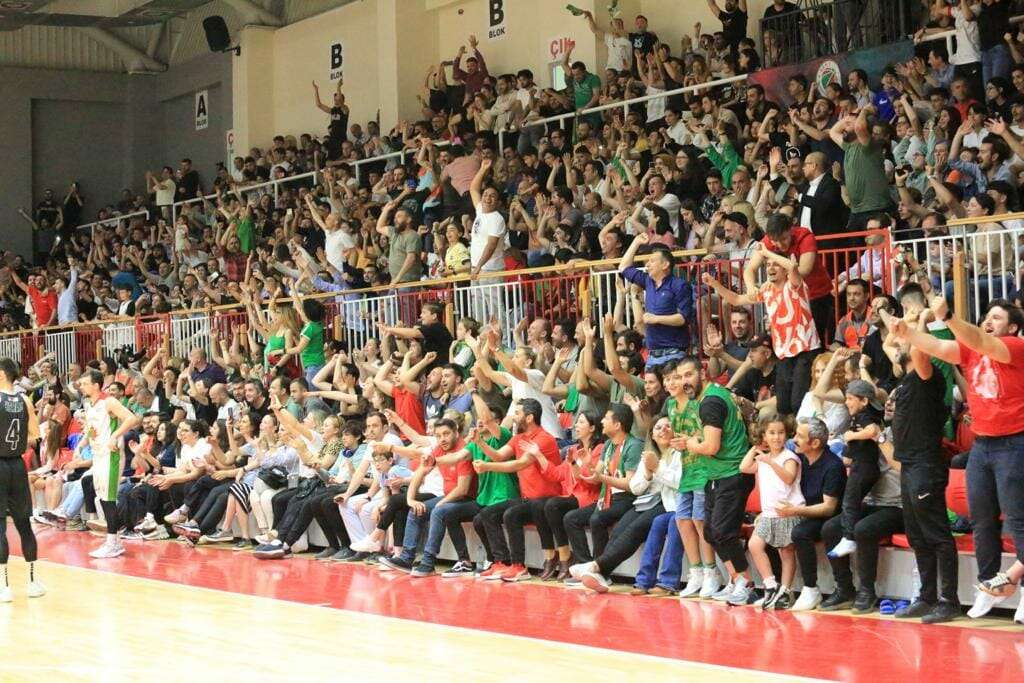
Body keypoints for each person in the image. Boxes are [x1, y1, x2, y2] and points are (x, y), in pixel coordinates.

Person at [893, 295, 1024, 619]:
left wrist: (948, 316)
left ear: (1013, 328)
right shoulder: (971, 351)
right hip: (983, 445)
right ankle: (988, 585)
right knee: (981, 519)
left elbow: (981, 340)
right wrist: (908, 333)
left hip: (1013, 442)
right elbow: (938, 347)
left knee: (1017, 519)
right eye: (987, 316)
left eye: (996, 317)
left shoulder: (1015, 347)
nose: (988, 321)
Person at [883, 308, 959, 624]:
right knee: (917, 537)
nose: (899, 344)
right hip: (910, 466)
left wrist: (921, 320)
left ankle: (949, 601)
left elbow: (917, 350)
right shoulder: (906, 377)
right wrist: (894, 322)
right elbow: (890, 344)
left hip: (926, 466)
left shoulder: (927, 376)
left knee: (937, 535)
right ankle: (927, 597)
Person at [706, 237, 822, 417]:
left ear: (784, 269)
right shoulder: (767, 290)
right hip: (784, 353)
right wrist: (715, 284)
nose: (770, 268)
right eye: (767, 265)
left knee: (798, 401)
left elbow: (793, 267)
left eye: (775, 265)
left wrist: (766, 252)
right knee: (783, 404)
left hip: (805, 350)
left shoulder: (795, 285)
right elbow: (736, 299)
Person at [677, 356, 754, 604]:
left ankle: (746, 583)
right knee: (711, 532)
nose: (685, 382)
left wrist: (690, 444)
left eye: (689, 375)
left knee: (723, 532)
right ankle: (736, 579)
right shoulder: (715, 395)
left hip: (731, 474)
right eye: (680, 377)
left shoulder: (710, 402)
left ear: (702, 373)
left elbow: (711, 447)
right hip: (717, 474)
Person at [739, 414, 803, 609]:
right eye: (772, 433)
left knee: (786, 551)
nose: (776, 437)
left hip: (787, 511)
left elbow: (789, 478)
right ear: (764, 435)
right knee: (754, 545)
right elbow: (744, 467)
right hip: (768, 514)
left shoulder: (789, 457)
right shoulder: (763, 459)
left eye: (781, 432)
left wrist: (770, 462)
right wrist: (755, 449)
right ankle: (770, 584)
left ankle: (786, 591)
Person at [782, 417, 846, 611]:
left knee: (801, 532)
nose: (794, 439)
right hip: (807, 512)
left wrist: (794, 511)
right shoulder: (800, 459)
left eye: (800, 436)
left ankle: (811, 588)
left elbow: (828, 508)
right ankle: (778, 586)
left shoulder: (833, 466)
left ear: (815, 443)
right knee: (772, 525)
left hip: (830, 517)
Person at [77, 368, 141, 559]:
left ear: (96, 385)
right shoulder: (89, 404)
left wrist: (115, 435)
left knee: (108, 498)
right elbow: (92, 430)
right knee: (103, 498)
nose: (81, 387)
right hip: (98, 456)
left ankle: (113, 542)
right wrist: (81, 445)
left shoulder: (109, 401)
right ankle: (114, 540)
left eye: (85, 383)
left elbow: (132, 418)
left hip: (111, 456)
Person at [0, 357, 43, 603]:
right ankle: (32, 582)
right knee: (23, 523)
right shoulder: (25, 400)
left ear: (2, 374)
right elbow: (35, 437)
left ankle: (4, 587)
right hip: (17, 465)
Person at [827, 379, 883, 560]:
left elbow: (872, 431)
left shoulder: (865, 416)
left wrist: (851, 435)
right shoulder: (860, 416)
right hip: (861, 465)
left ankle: (849, 538)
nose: (847, 402)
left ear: (864, 401)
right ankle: (848, 535)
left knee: (850, 501)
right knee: (851, 500)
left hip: (865, 466)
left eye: (851, 398)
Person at [619, 235, 694, 366]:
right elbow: (623, 267)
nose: (647, 265)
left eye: (652, 261)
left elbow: (683, 318)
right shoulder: (648, 281)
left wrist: (656, 318)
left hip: (674, 352)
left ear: (665, 265)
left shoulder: (679, 285)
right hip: (652, 354)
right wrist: (636, 242)